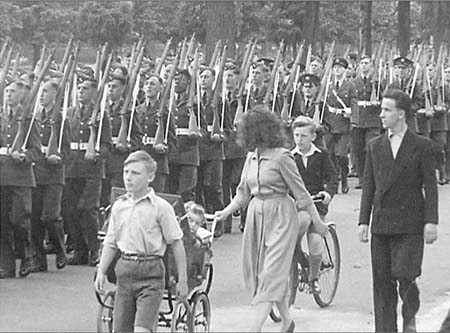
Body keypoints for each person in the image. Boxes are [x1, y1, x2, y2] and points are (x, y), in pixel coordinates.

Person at [214, 107, 327, 333]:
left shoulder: (282, 156)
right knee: (261, 273)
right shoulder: (250, 157)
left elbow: (301, 194)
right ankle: (286, 321)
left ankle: (254, 328)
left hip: (281, 217)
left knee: (271, 274)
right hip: (256, 216)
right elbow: (242, 194)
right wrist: (224, 212)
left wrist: (318, 223)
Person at [358, 88, 438, 332]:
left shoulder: (422, 146)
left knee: (406, 274)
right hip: (382, 222)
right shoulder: (374, 145)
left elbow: (430, 186)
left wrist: (431, 221)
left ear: (401, 114)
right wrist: (363, 221)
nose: (381, 114)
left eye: (386, 110)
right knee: (382, 283)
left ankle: (409, 319)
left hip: (410, 223)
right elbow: (368, 185)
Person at [94, 150, 188, 333]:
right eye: (126, 172)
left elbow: (176, 243)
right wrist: (101, 271)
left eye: (135, 173)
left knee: (142, 330)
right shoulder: (119, 206)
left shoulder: (161, 208)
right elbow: (111, 242)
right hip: (125, 271)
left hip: (151, 272)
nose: (128, 178)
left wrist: (182, 280)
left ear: (150, 176)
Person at [64, 78, 112, 266]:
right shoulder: (69, 113)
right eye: (79, 88)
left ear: (94, 92)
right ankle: (79, 249)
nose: (80, 91)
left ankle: (94, 249)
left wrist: (98, 155)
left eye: (85, 89)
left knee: (88, 209)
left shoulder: (100, 115)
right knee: (72, 211)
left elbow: (107, 145)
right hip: (72, 168)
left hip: (91, 169)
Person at [291, 116, 338, 293]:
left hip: (316, 202)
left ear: (312, 137)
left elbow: (333, 177)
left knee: (315, 239)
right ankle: (302, 263)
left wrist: (328, 193)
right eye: (296, 135)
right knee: (293, 233)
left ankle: (314, 277)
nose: (299, 140)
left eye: (303, 136)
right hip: (297, 204)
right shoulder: (290, 156)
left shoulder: (321, 155)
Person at [0, 80, 41, 278]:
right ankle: (7, 265)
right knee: (2, 223)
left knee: (19, 220)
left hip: (20, 177)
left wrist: (25, 157)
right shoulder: (1, 117)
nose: (9, 94)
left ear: (22, 95)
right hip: (2, 176)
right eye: (7, 91)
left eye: (13, 91)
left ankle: (26, 256)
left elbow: (36, 150)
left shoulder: (28, 120)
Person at [30, 80, 71, 272]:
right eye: (41, 91)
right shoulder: (34, 118)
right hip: (36, 171)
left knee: (50, 215)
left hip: (53, 173)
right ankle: (38, 259)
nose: (42, 94)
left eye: (46, 91)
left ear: (55, 95)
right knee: (35, 217)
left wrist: (59, 157)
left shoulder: (62, 120)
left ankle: (59, 247)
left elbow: (67, 151)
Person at [323, 57, 358, 194]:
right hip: (329, 123)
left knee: (342, 156)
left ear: (345, 70)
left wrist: (354, 118)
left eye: (340, 67)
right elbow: (322, 103)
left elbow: (354, 103)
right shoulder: (327, 85)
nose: (337, 69)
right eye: (335, 67)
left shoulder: (350, 86)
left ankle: (344, 178)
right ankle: (334, 181)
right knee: (329, 154)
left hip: (343, 125)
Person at [350, 55, 383, 189]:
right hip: (358, 120)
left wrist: (378, 103)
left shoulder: (378, 81)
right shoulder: (353, 82)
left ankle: (373, 177)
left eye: (366, 63)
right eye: (362, 63)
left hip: (373, 119)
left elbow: (384, 98)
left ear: (371, 66)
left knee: (371, 148)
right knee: (358, 150)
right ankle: (362, 178)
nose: (364, 65)